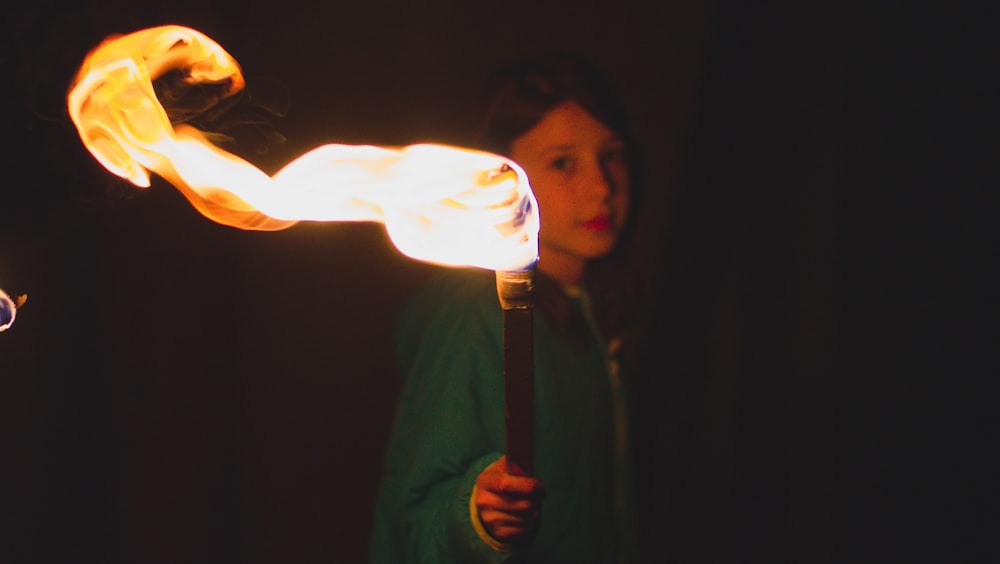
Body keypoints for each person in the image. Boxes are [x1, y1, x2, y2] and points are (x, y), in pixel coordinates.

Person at [370, 51, 646, 563]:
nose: (602, 188)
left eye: (612, 155)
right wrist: (477, 515)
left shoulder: (597, 315)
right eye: (564, 162)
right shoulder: (474, 319)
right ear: (504, 181)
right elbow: (414, 518)